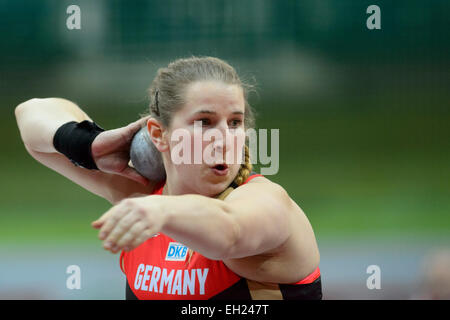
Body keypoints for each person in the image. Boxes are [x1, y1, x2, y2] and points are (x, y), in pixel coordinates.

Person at [15, 56, 322, 300]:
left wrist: (161, 211)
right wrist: (88, 144)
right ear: (159, 134)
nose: (225, 138)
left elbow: (229, 231)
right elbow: (32, 113)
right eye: (204, 122)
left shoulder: (265, 201)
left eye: (235, 122)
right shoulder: (143, 196)